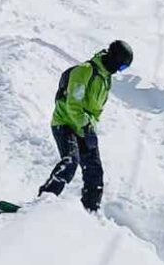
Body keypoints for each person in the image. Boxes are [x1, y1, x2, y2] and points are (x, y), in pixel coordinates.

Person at [39, 39, 133, 213]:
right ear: (113, 58)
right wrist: (85, 126)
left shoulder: (106, 80)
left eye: (124, 70)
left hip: (84, 128)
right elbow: (72, 104)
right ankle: (43, 201)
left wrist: (91, 128)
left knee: (95, 173)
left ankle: (90, 212)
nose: (119, 72)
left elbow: (97, 111)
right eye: (121, 67)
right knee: (70, 162)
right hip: (65, 123)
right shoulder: (85, 71)